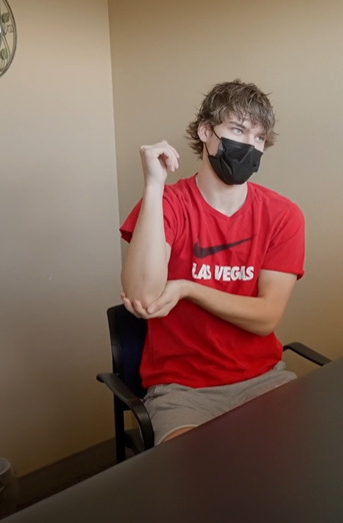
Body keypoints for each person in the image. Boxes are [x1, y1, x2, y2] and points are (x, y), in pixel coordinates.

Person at [119, 80, 305, 444]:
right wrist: (154, 187)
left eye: (258, 138)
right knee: (201, 484)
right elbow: (141, 295)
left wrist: (189, 288)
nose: (248, 146)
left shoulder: (284, 215)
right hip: (183, 390)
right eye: (237, 130)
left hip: (264, 379)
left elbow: (266, 318)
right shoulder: (169, 204)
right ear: (206, 131)